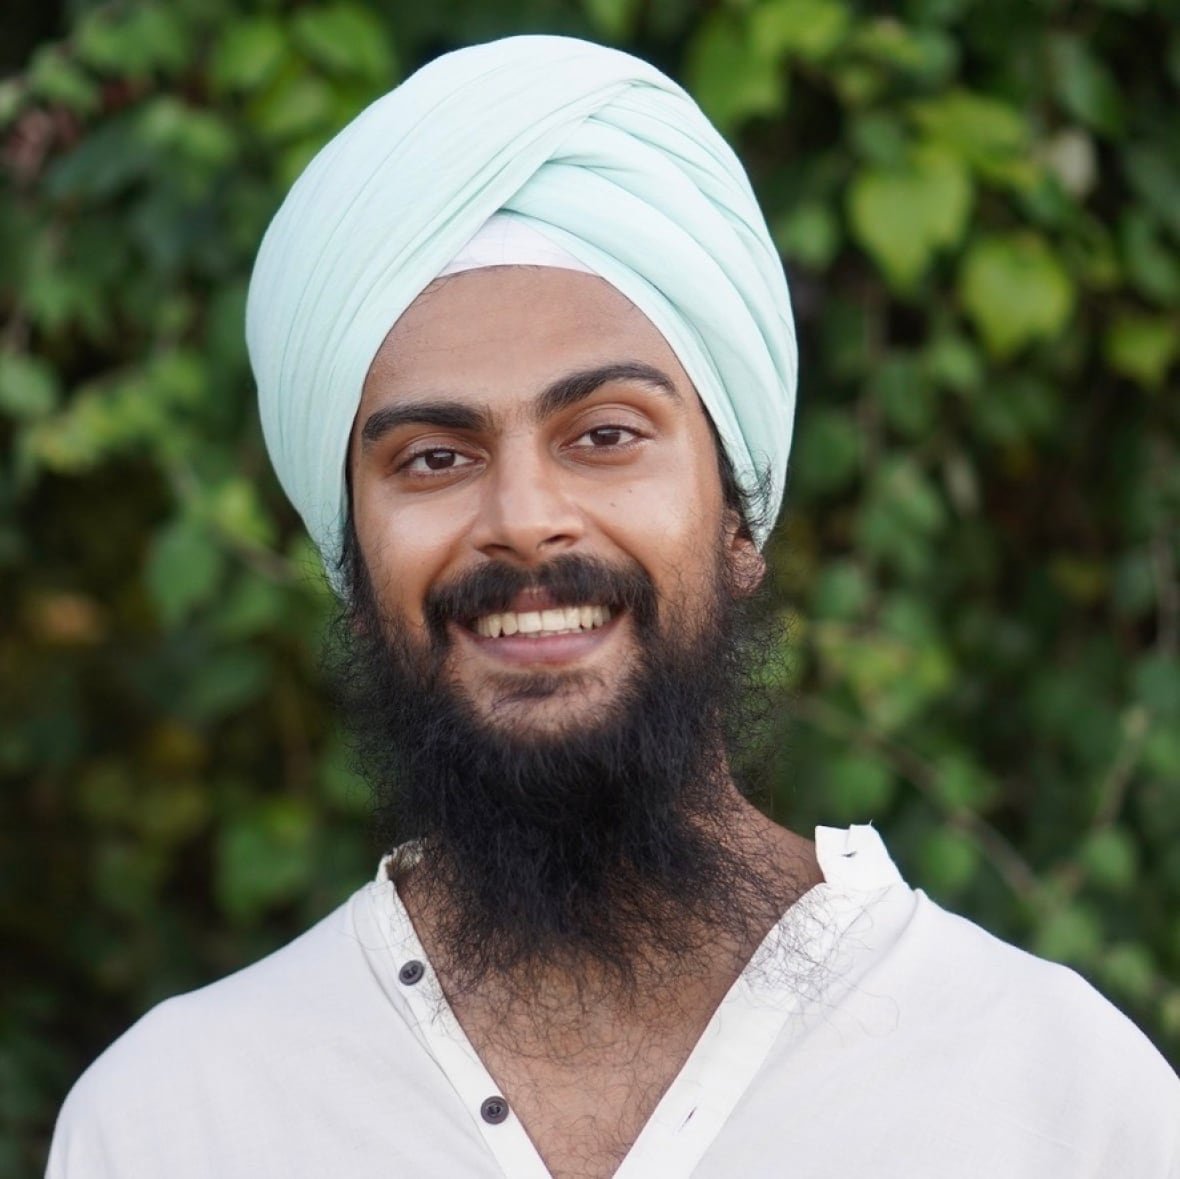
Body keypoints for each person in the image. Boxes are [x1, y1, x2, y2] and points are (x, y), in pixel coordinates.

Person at [48, 34, 1178, 1179]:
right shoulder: (172, 1120)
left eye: (605, 436)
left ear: (738, 518)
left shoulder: (1059, 1094)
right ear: (351, 568)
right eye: (434, 459)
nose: (525, 520)